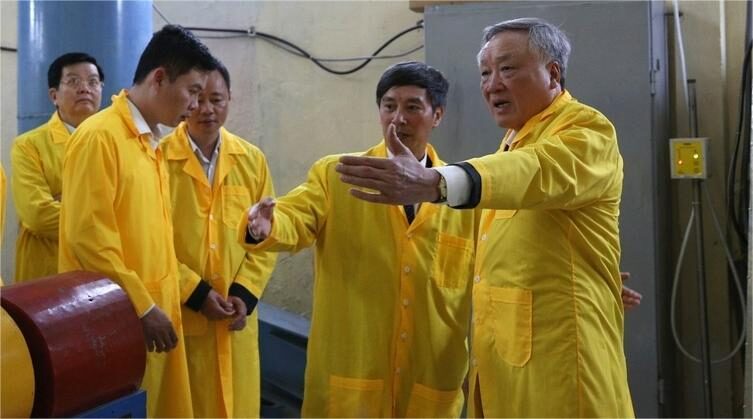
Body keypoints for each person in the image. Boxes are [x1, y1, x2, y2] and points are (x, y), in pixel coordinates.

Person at [336, 18, 634, 417]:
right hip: (507, 372)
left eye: (508, 69)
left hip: (559, 373)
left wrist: (434, 182)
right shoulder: (515, 142)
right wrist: (586, 273)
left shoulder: (586, 130)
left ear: (553, 73)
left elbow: (536, 172)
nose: (493, 84)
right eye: (485, 73)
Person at [245, 61, 477, 417]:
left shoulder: (461, 196)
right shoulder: (339, 175)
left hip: (430, 384)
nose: (398, 118)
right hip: (353, 381)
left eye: (413, 106)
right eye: (389, 106)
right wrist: (268, 226)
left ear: (437, 115)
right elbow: (296, 217)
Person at [58, 25, 217, 418]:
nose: (196, 106)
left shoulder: (150, 143)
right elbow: (90, 240)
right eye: (193, 92)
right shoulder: (101, 137)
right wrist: (143, 309)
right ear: (160, 78)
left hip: (154, 315)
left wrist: (187, 292)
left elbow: (154, 243)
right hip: (118, 320)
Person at [162, 63, 277, 417]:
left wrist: (244, 294)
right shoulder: (159, 158)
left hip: (235, 317)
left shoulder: (251, 160)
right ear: (184, 101)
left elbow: (267, 237)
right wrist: (194, 293)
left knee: (237, 406)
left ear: (230, 100)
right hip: (181, 314)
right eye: (197, 98)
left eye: (217, 99)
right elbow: (153, 239)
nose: (207, 109)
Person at [11, 52, 104, 282]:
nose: (85, 88)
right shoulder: (28, 146)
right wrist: (104, 221)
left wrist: (66, 203)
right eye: (73, 81)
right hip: (49, 274)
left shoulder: (115, 143)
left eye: (93, 82)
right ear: (54, 95)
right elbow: (38, 215)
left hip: (104, 274)